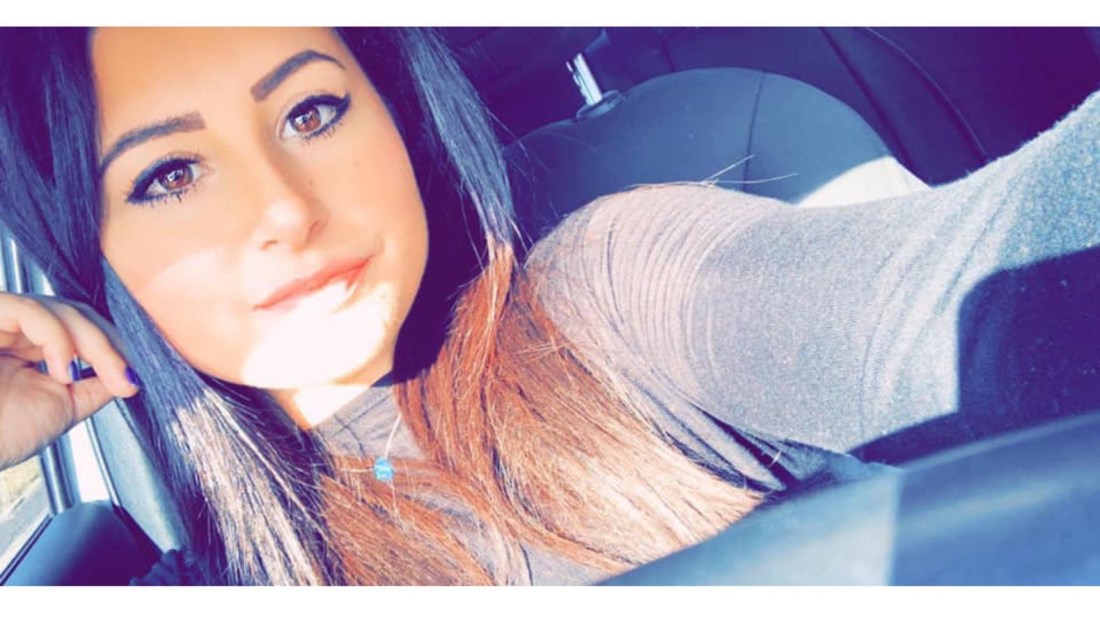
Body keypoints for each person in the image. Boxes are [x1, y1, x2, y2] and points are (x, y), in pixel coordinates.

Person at [0, 27, 1097, 586]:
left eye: (313, 111)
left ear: (397, 118)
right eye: (169, 176)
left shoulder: (611, 301)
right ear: (94, 264)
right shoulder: (205, 580)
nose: (284, 210)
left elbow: (981, 293)